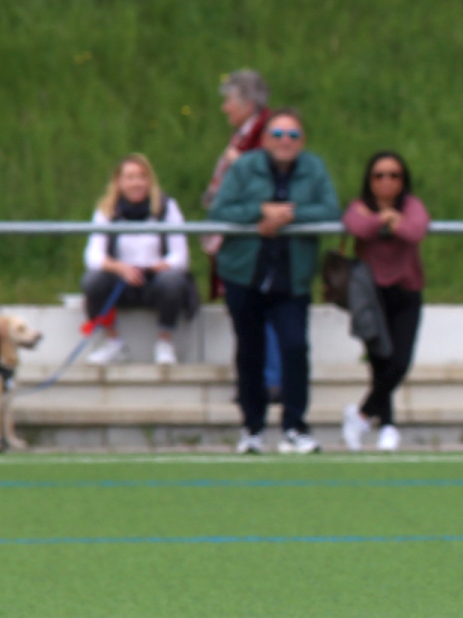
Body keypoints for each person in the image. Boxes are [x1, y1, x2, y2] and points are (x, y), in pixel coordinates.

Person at [209, 108, 341, 454]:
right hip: (244, 275)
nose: (285, 141)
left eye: (293, 135)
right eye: (278, 135)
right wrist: (260, 211)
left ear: (303, 140)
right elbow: (220, 210)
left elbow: (330, 210)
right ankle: (252, 428)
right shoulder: (244, 167)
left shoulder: (314, 168)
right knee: (250, 351)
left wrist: (287, 215)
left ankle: (295, 427)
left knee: (295, 348)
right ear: (266, 139)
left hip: (292, 279)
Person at [340, 151, 428, 453]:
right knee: (380, 363)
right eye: (379, 175)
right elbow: (356, 226)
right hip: (370, 294)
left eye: (394, 175)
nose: (386, 181)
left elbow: (416, 229)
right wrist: (384, 218)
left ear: (403, 181)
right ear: (369, 180)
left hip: (406, 290)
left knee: (399, 363)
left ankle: (361, 415)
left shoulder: (411, 205)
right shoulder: (359, 206)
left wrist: (394, 221)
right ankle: (387, 426)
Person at [203, 70, 282, 397]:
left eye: (229, 101)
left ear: (248, 104)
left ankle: (270, 381)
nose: (225, 107)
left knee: (261, 310)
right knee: (246, 312)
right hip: (240, 237)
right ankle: (256, 381)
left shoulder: (266, 134)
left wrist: (241, 163)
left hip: (258, 240)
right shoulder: (246, 134)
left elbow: (272, 180)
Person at [81, 154, 194, 367]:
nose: (137, 183)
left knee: (172, 280)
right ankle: (113, 342)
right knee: (93, 281)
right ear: (119, 182)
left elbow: (181, 257)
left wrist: (160, 266)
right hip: (121, 281)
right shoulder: (107, 209)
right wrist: (119, 267)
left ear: (150, 180)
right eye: (130, 177)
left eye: (142, 176)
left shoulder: (167, 207)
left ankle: (164, 343)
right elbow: (93, 255)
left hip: (155, 279)